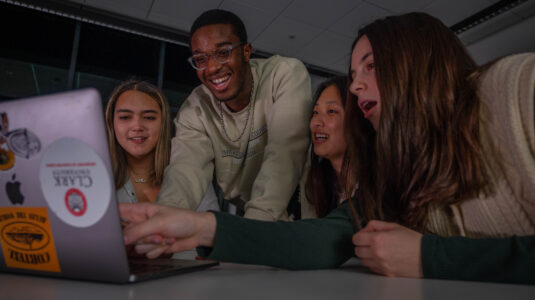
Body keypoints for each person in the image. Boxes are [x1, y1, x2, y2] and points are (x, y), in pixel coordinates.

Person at [120, 13, 535, 284]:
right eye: (354, 73)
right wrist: (200, 227)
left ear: (420, 62)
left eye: (371, 67)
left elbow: (282, 161)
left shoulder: (518, 86)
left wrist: (432, 256)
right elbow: (326, 238)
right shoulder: (395, 169)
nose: (355, 86)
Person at [156, 9, 312, 221]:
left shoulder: (283, 74)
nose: (211, 68)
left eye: (223, 53)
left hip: (302, 208)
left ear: (246, 51)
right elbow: (184, 172)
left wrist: (251, 229)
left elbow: (284, 154)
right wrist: (162, 222)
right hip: (250, 215)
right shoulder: (195, 110)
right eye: (200, 59)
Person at [105, 80, 171, 203]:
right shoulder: (91, 178)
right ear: (111, 123)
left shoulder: (192, 175)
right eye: (125, 117)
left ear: (163, 123)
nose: (137, 126)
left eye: (149, 118)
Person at [300, 76, 349, 219]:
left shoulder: (380, 186)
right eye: (315, 112)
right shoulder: (317, 182)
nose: (316, 122)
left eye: (331, 111)